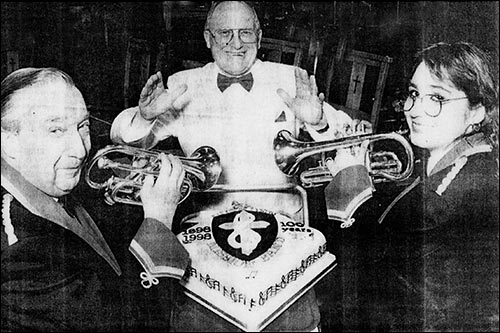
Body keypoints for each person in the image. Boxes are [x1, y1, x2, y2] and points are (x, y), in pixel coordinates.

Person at [110, 1, 371, 331]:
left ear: (259, 37)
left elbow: (347, 135)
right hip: (202, 239)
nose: (236, 43)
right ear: (208, 38)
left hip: (285, 233)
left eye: (246, 32)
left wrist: (318, 122)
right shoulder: (183, 84)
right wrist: (145, 116)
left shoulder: (290, 78)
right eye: (225, 33)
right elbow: (125, 138)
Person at [325, 41, 499, 331]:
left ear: (477, 112)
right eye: (414, 94)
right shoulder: (446, 164)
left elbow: (380, 273)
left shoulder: (466, 183)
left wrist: (352, 182)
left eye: (437, 98)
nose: (415, 110)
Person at [1, 67, 190, 331]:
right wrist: (158, 224)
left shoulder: (32, 180)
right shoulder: (19, 252)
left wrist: (143, 119)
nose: (80, 150)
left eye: (82, 126)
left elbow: (105, 142)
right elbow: (132, 324)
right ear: (9, 143)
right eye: (55, 130)